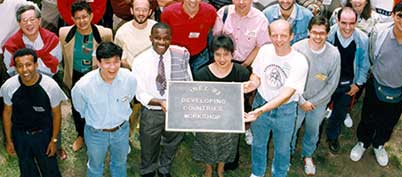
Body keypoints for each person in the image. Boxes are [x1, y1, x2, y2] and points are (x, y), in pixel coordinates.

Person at [350, 1, 402, 167]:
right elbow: (371, 53)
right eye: (400, 15)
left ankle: (379, 144)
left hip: (400, 91)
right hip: (376, 85)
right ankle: (363, 142)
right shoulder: (379, 33)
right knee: (368, 117)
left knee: (389, 121)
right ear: (393, 15)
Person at [245, 19, 309, 177]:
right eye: (275, 35)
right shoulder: (265, 50)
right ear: (269, 35)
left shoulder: (299, 61)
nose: (279, 40)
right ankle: (257, 173)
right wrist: (251, 84)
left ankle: (279, 174)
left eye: (283, 35)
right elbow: (256, 75)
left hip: (285, 111)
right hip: (261, 101)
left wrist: (260, 110)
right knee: (258, 144)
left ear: (291, 36)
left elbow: (286, 95)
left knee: (282, 148)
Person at [132, 22, 193, 177]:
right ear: (150, 38)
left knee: (173, 141)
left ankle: (164, 168)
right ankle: (148, 170)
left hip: (175, 109)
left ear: (170, 38)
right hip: (152, 111)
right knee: (149, 144)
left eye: (166, 38)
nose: (161, 42)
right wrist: (160, 102)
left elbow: (188, 81)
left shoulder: (179, 56)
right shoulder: (140, 60)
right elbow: (140, 94)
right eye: (157, 38)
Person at [71, 42, 137, 177]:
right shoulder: (83, 86)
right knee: (95, 167)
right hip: (96, 134)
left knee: (120, 163)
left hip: (121, 131)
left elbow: (130, 97)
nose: (112, 67)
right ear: (99, 63)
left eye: (116, 62)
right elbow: (80, 108)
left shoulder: (129, 78)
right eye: (107, 63)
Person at [0, 48, 66, 177]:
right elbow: (7, 113)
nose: (25, 70)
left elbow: (57, 114)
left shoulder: (50, 86)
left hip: (43, 135)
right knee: (27, 169)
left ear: (36, 65)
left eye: (28, 65)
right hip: (20, 136)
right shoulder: (9, 86)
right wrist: (9, 140)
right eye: (20, 66)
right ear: (15, 68)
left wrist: (54, 140)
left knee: (50, 170)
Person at [192, 35, 252, 177]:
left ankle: (220, 169)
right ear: (213, 54)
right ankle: (208, 169)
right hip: (208, 119)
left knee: (227, 144)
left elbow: (245, 97)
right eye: (218, 55)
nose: (222, 59)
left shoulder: (241, 73)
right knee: (206, 143)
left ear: (232, 53)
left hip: (230, 120)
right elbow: (197, 100)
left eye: (226, 54)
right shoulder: (202, 74)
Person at [59, 0, 113, 152]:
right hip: (75, 75)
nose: (81, 21)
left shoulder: (105, 34)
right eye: (77, 18)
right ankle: (81, 134)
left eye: (84, 17)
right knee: (77, 107)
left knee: (97, 105)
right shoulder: (64, 33)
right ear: (72, 19)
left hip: (96, 76)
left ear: (91, 16)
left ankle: (98, 132)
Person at [291, 16, 340, 176]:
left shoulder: (334, 54)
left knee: (313, 131)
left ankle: (308, 155)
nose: (318, 37)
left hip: (318, 103)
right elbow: (290, 78)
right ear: (308, 32)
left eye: (322, 33)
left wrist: (312, 102)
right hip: (297, 100)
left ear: (327, 34)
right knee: (292, 129)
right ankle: (288, 154)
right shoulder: (297, 48)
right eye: (314, 32)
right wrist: (302, 100)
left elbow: (332, 84)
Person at [325, 6, 370, 154]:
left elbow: (365, 64)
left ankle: (332, 136)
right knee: (318, 111)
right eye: (344, 23)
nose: (347, 27)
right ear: (337, 21)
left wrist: (358, 83)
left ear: (356, 23)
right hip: (327, 83)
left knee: (339, 113)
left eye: (351, 23)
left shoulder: (363, 40)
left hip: (347, 85)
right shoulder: (328, 35)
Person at [160, 0, 216, 70]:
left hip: (200, 57)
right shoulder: (168, 13)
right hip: (175, 56)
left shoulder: (210, 12)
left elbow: (209, 30)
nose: (193, 0)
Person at [213, 0, 270, 64]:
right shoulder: (223, 13)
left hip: (248, 64)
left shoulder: (260, 19)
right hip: (223, 62)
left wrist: (244, 66)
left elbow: (260, 47)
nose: (241, 2)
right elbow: (216, 41)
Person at [2, 3, 62, 78]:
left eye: (32, 19)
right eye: (24, 20)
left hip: (48, 79)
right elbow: (10, 68)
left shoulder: (52, 40)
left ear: (39, 20)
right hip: (22, 80)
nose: (29, 23)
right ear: (19, 23)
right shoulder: (12, 45)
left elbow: (58, 60)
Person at [114, 0, 156, 68]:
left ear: (150, 12)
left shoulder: (156, 29)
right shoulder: (122, 32)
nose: (141, 13)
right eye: (137, 9)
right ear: (131, 10)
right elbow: (119, 59)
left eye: (145, 10)